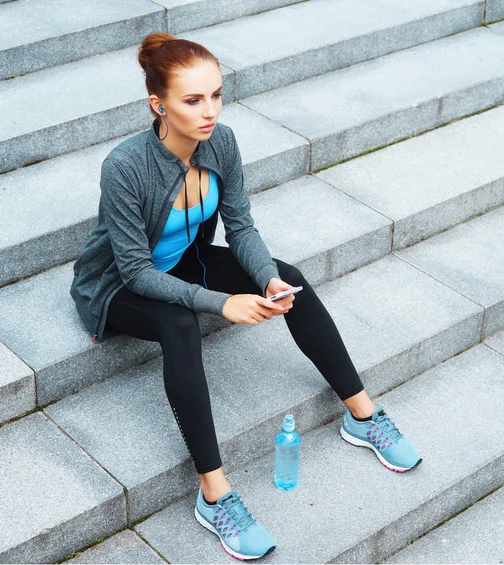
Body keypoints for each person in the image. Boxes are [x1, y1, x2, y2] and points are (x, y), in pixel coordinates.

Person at [69, 32, 422, 561]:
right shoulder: (126, 166)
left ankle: (363, 415)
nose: (209, 111)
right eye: (193, 100)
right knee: (181, 325)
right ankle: (215, 495)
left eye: (215, 94)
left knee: (288, 275)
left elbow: (241, 228)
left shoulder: (222, 142)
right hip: (117, 287)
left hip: (185, 260)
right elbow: (137, 271)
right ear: (157, 105)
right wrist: (219, 303)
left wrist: (265, 281)